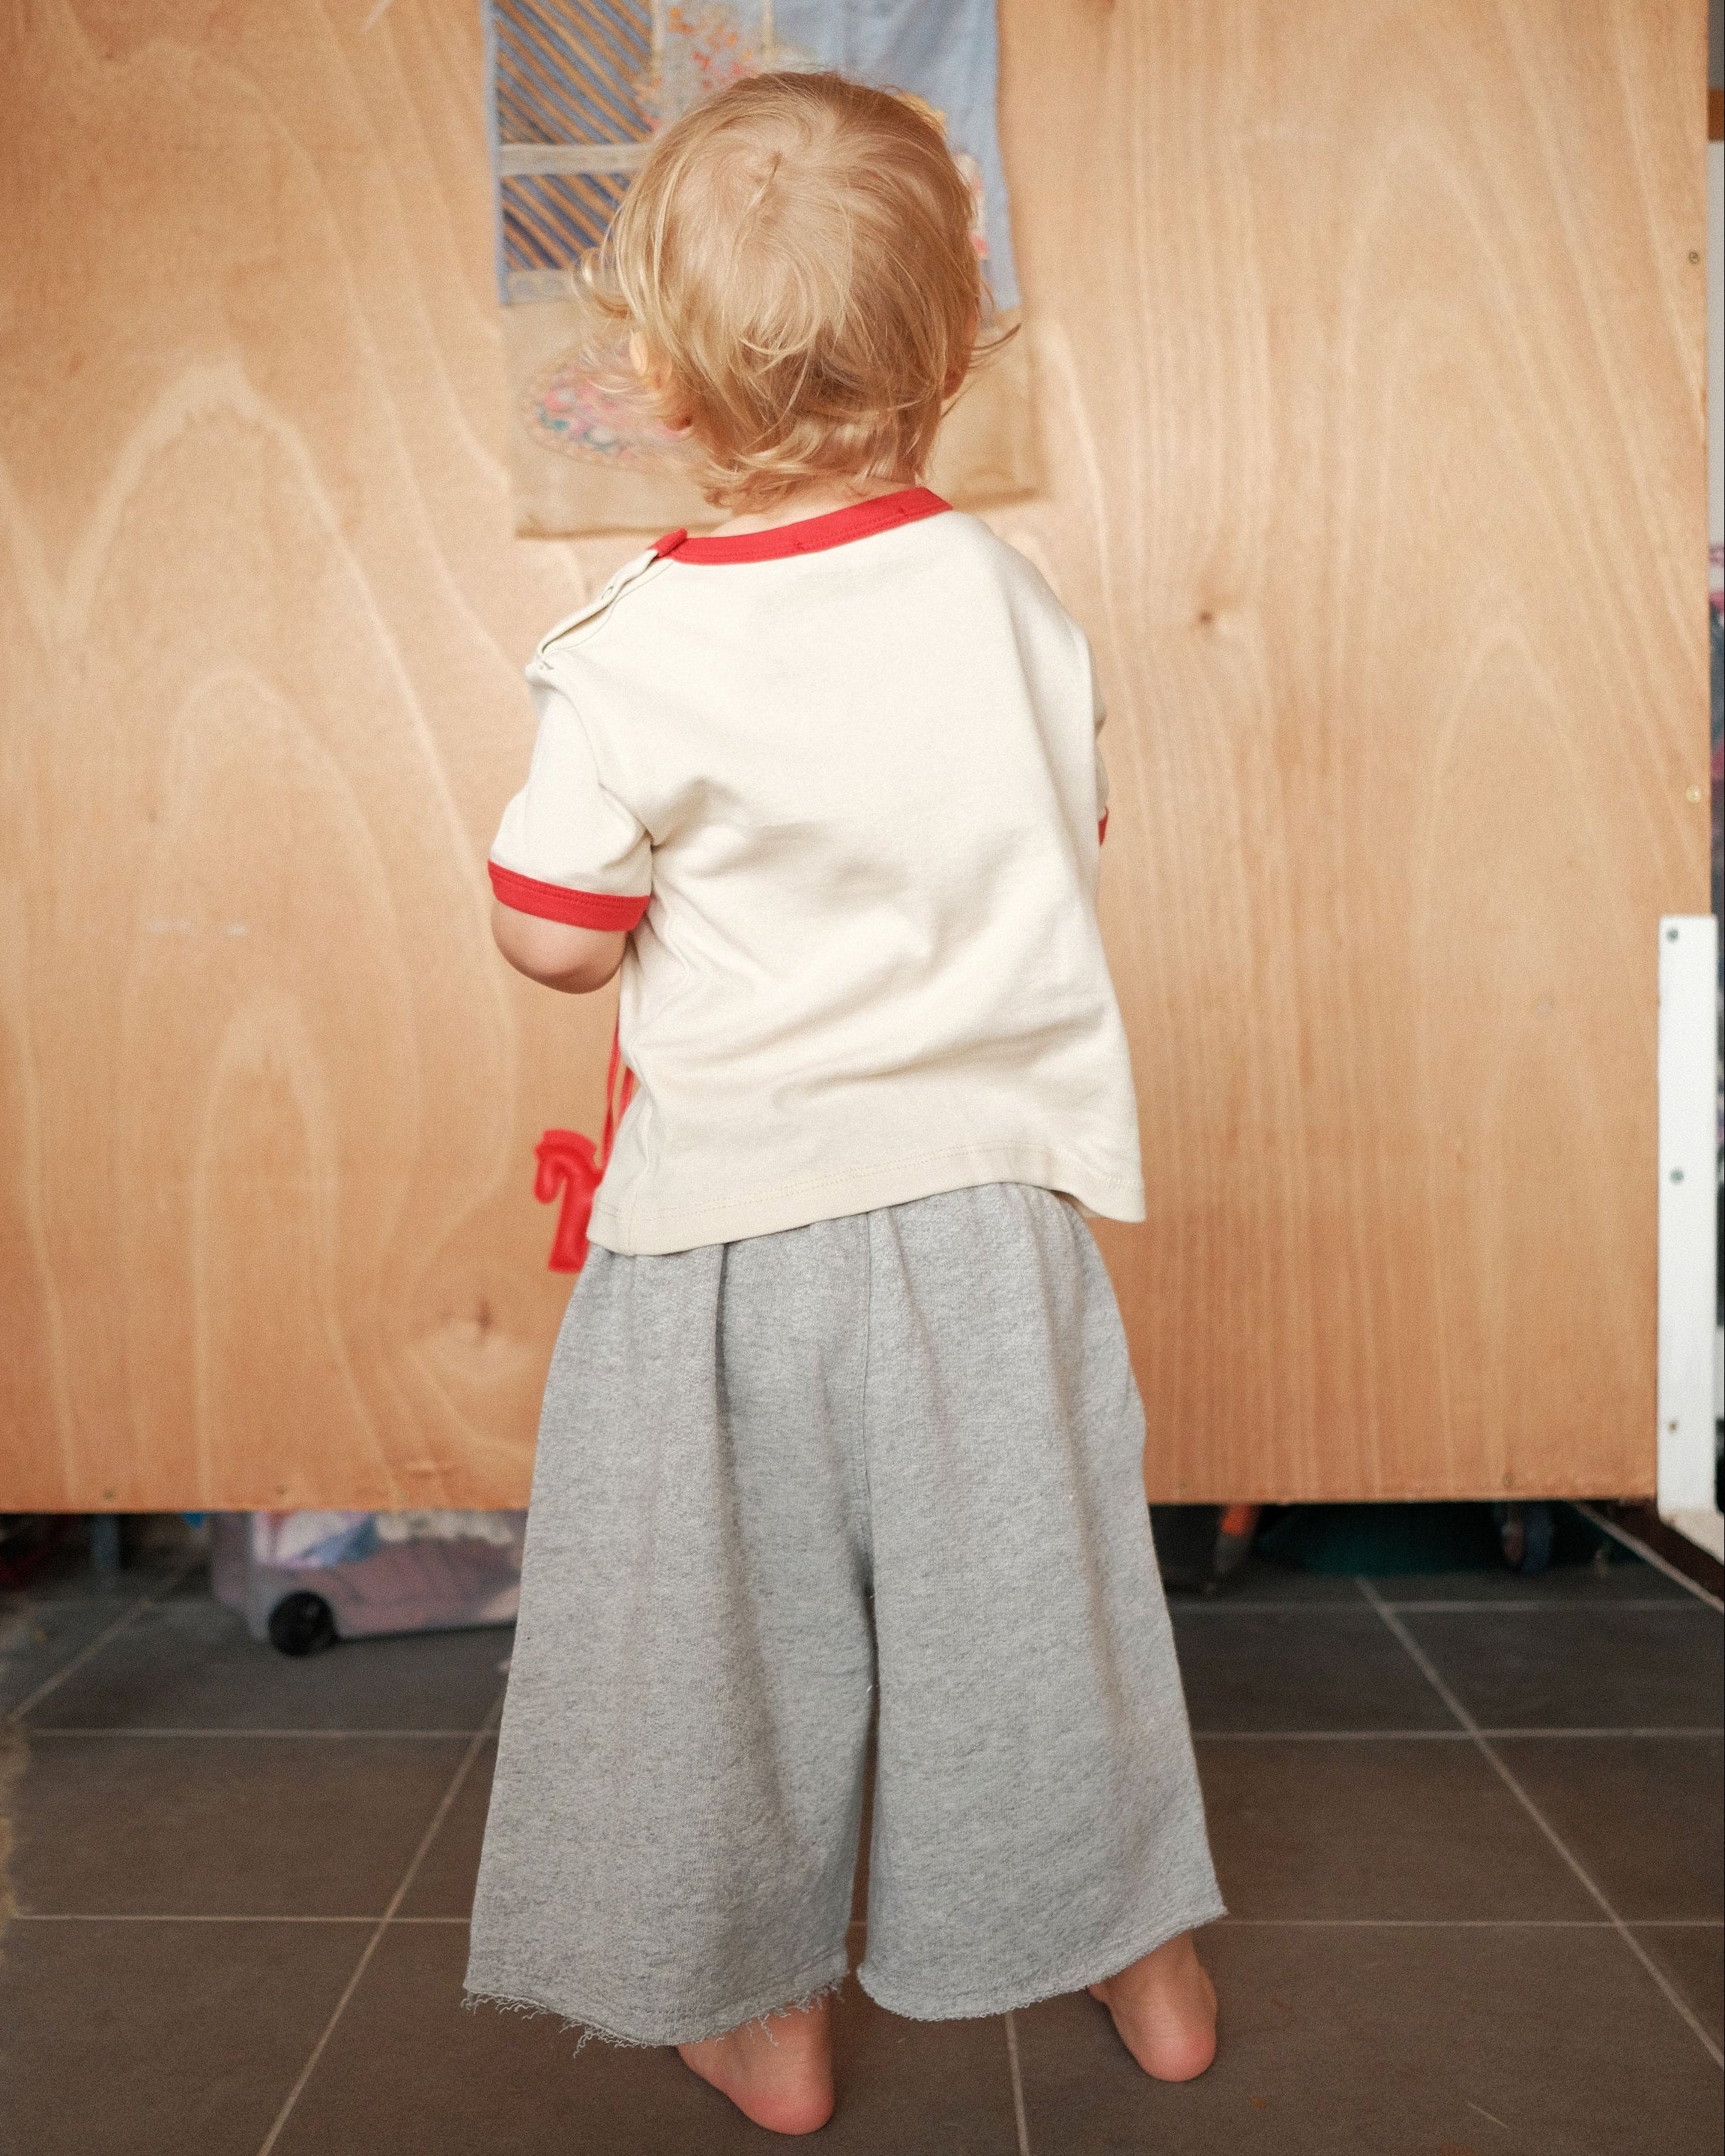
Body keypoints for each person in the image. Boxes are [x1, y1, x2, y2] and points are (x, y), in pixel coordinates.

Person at [465, 67, 1224, 2138]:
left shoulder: (632, 651)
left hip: (726, 1245)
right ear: (955, 357)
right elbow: (1060, 828)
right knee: (1033, 1618)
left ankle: (764, 2019)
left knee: (729, 1645)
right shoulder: (1012, 607)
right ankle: (1147, 1964)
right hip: (989, 1221)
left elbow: (553, 932)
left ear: (664, 391)